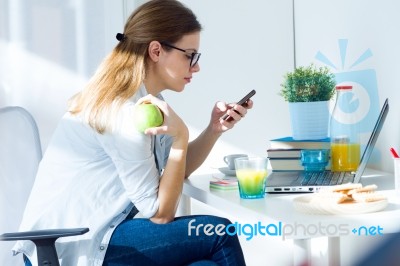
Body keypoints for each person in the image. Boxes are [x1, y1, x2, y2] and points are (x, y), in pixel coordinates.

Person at [14, 0, 252, 265]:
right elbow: (160, 213)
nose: (195, 67)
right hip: (74, 246)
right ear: (156, 51)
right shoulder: (122, 112)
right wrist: (180, 137)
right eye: (189, 55)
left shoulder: (146, 100)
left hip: (100, 233)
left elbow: (177, 172)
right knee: (219, 233)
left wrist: (213, 129)